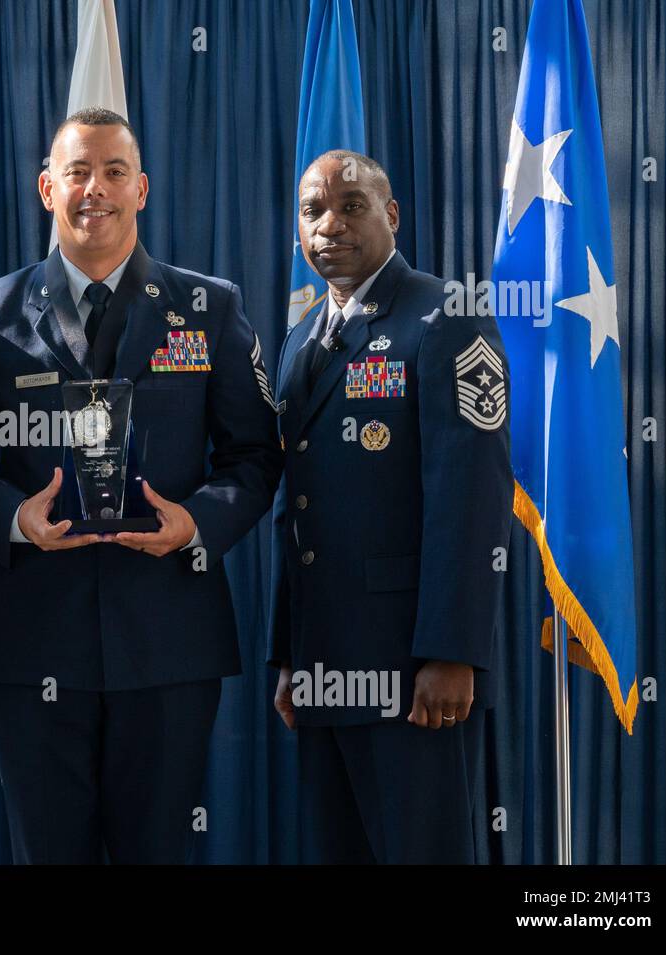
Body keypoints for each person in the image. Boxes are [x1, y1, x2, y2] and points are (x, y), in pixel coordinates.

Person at [0, 107, 282, 864]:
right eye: (77, 172)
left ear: (142, 188)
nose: (96, 189)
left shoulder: (209, 309)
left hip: (170, 642)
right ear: (46, 187)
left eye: (114, 171)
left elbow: (256, 454)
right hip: (34, 640)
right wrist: (14, 517)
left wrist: (198, 523)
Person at [268, 150, 512, 863]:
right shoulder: (299, 341)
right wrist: (290, 652)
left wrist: (452, 650)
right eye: (313, 210)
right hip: (323, 666)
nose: (330, 224)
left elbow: (472, 496)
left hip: (412, 671)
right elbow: (296, 507)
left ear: (392, 215)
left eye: (351, 205)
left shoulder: (444, 318)